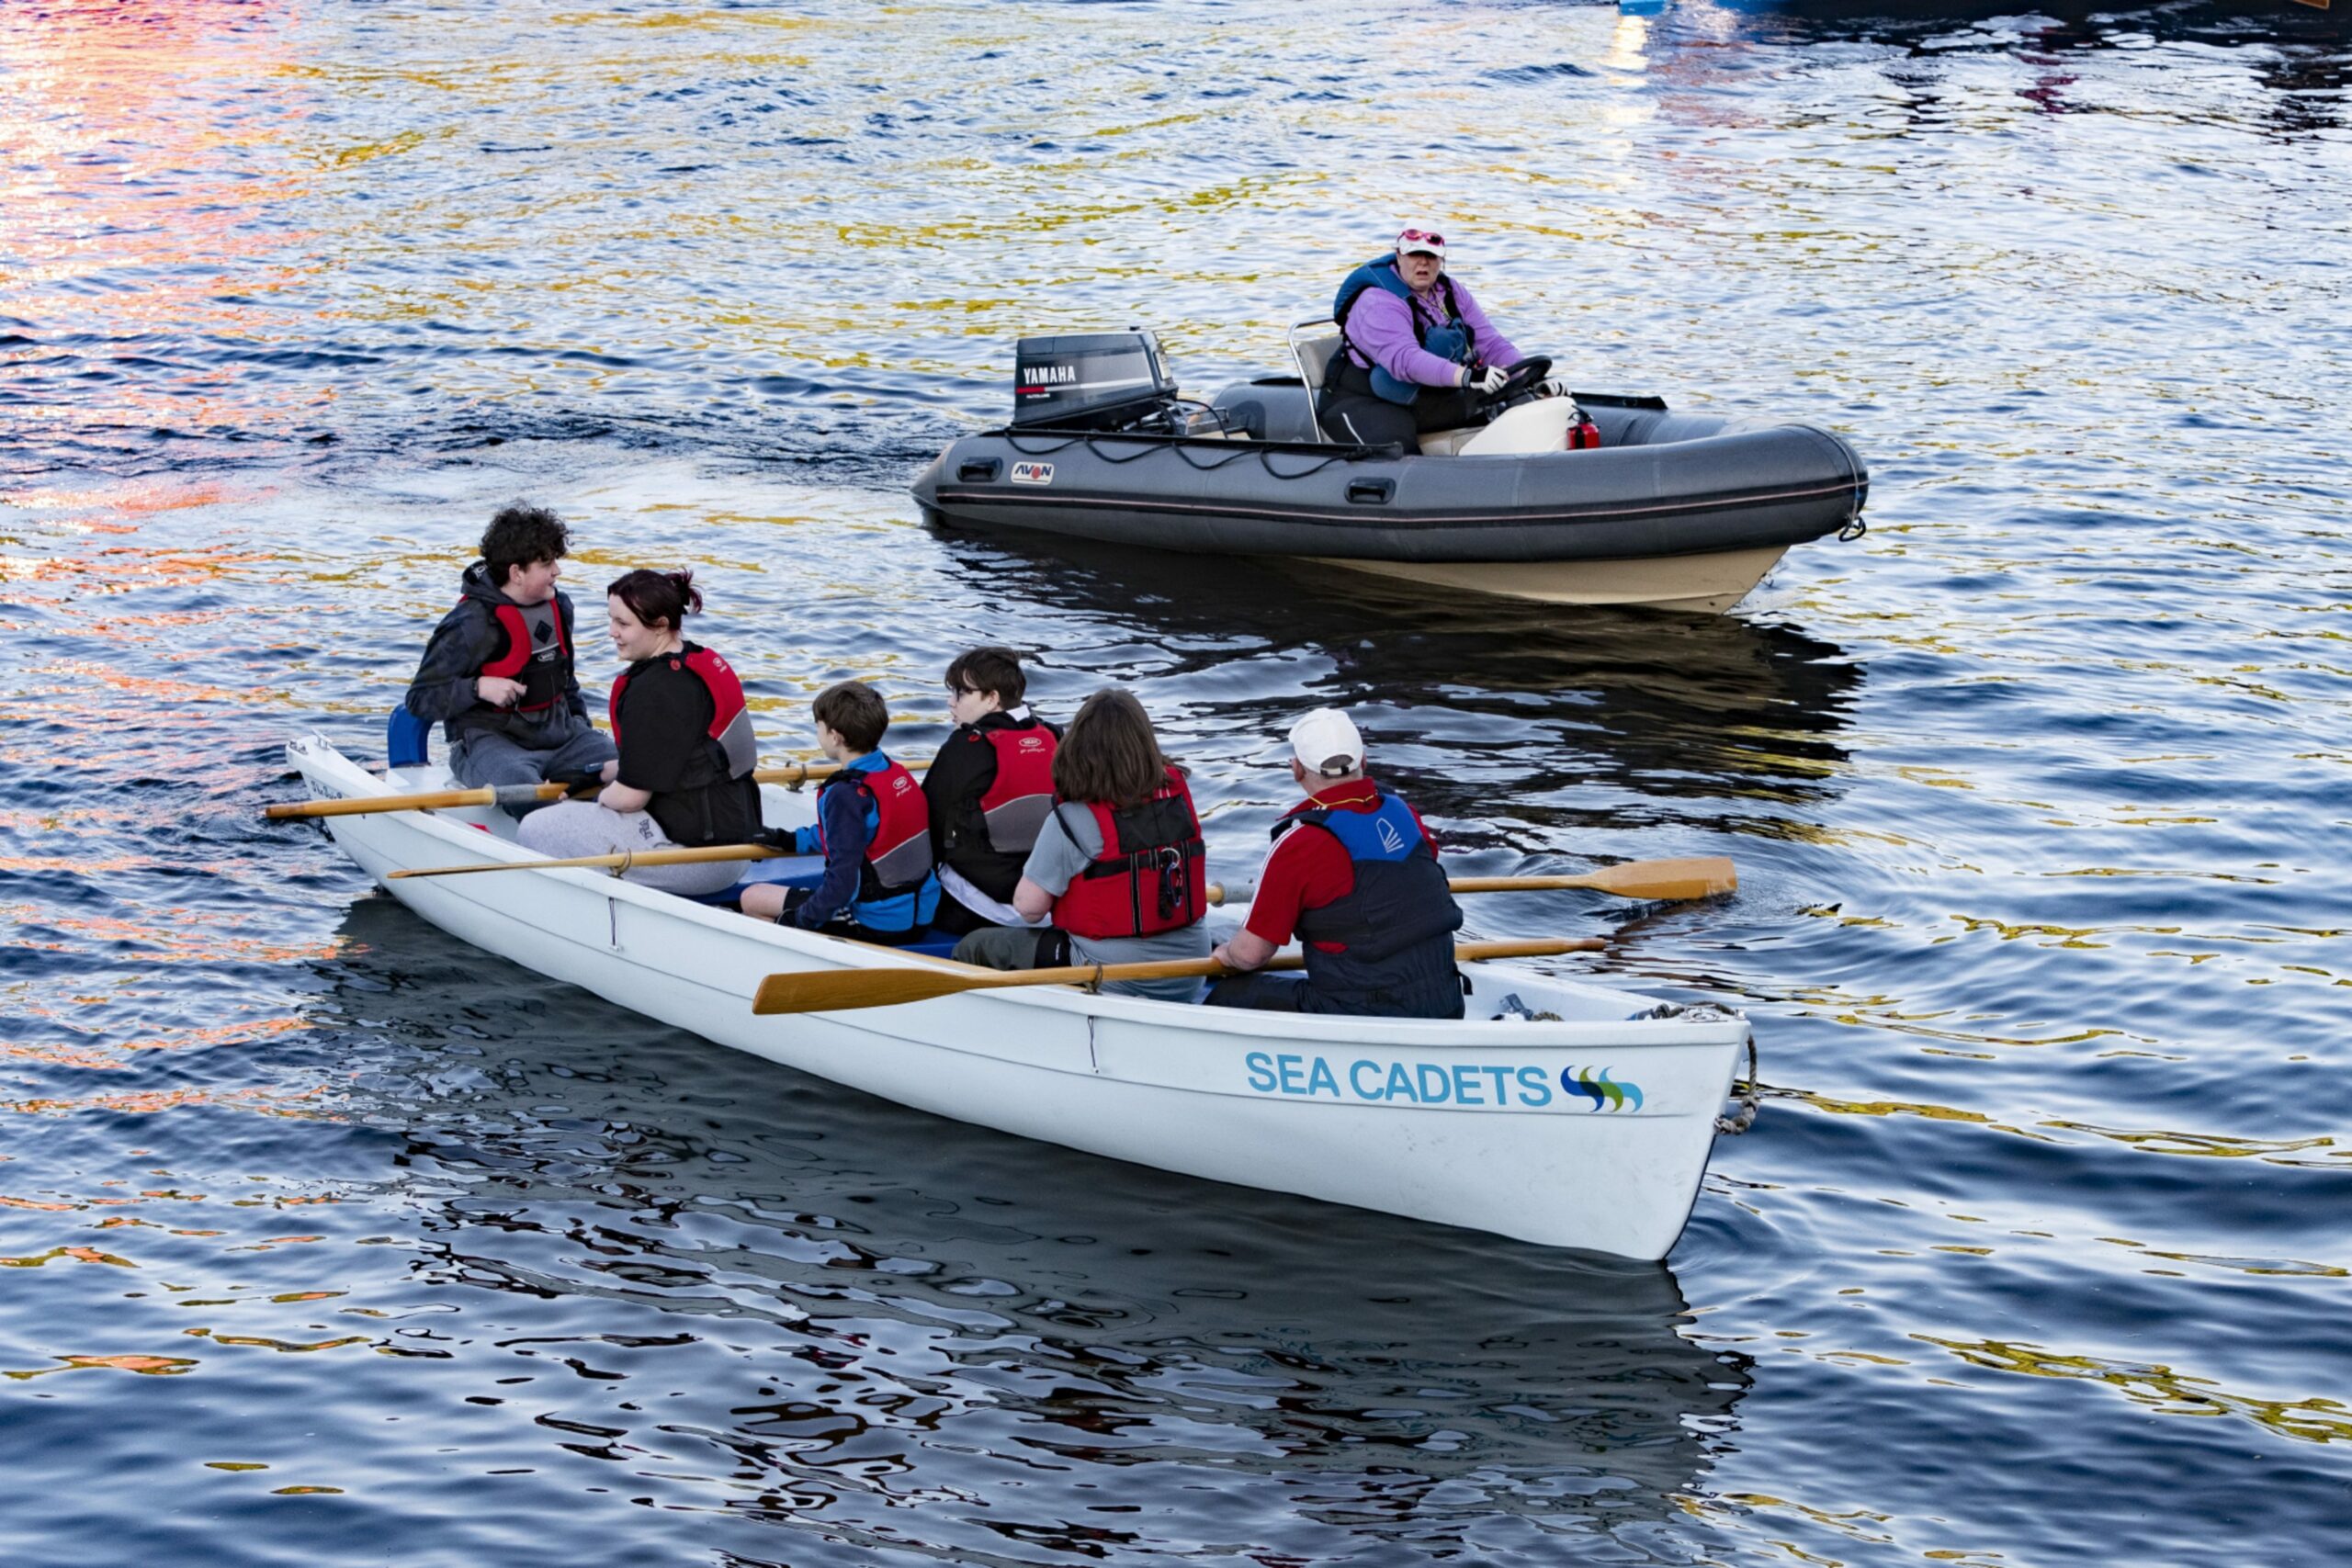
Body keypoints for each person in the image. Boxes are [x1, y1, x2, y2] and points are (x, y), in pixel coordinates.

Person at [514, 569, 762, 897]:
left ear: (660, 624)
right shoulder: (697, 661)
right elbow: (676, 758)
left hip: (697, 859)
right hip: (737, 851)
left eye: (623, 624)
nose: (611, 632)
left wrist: (598, 800)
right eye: (611, 619)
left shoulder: (653, 690)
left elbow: (630, 799)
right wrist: (600, 773)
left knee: (536, 827)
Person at [952, 689, 1210, 1002]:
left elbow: (1029, 909)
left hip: (1114, 975)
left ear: (1079, 748)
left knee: (977, 945)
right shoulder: (1176, 795)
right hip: (1190, 971)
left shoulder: (1074, 817)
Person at [1205, 707, 1464, 1018]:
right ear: (1364, 761)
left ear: (1297, 769)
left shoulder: (1299, 843)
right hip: (1445, 1002)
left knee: (1227, 993)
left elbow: (1252, 955)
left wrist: (1224, 955)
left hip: (1359, 1013)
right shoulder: (1405, 814)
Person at [403, 503, 616, 810]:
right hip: (491, 743)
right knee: (525, 793)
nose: (558, 570)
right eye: (547, 563)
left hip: (563, 737)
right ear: (517, 573)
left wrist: (580, 723)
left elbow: (567, 680)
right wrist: (478, 688)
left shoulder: (561, 607)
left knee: (634, 772)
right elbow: (419, 700)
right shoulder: (468, 625)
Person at [741, 682, 941, 944]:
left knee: (752, 898)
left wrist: (798, 920)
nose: (818, 732)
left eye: (818, 726)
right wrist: (788, 840)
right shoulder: (893, 773)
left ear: (835, 736)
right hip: (921, 915)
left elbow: (842, 886)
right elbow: (856, 835)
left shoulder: (846, 794)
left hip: (878, 923)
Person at [1317, 227, 1543, 455]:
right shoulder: (1377, 301)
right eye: (1415, 255)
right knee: (1397, 448)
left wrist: (1529, 379)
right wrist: (1467, 377)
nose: (1423, 263)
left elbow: (1491, 344)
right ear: (1399, 256)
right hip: (1362, 400)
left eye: (1431, 256)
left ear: (1441, 260)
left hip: (1422, 394)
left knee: (1497, 410)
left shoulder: (1452, 292)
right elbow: (1405, 361)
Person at [924, 647, 1061, 938]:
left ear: (992, 699)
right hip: (1048, 903)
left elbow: (928, 823)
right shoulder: (1055, 737)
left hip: (977, 908)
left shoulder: (965, 747)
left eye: (961, 693)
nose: (952, 702)